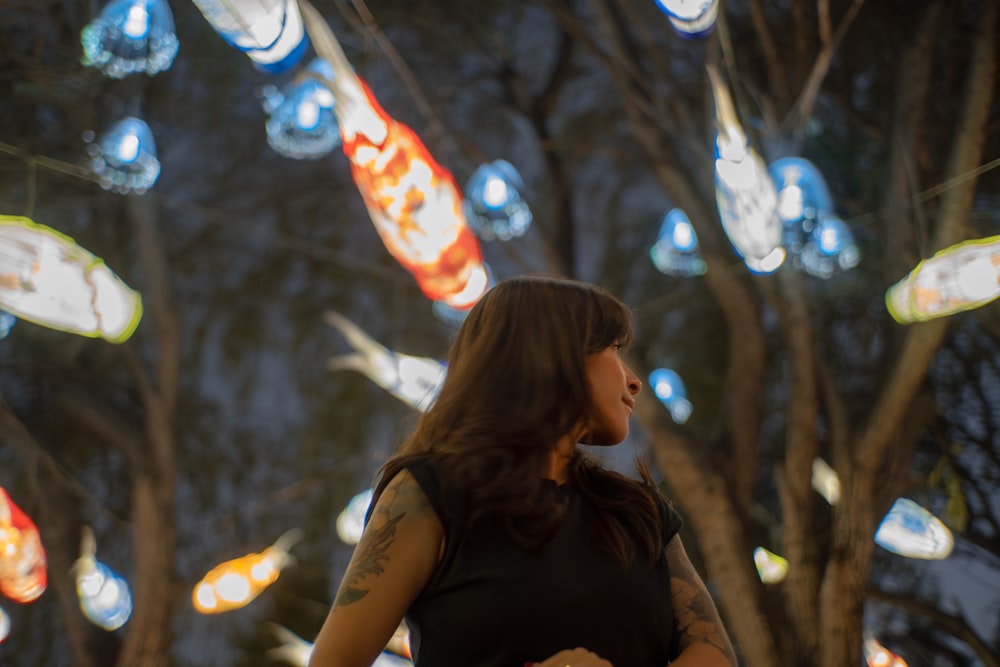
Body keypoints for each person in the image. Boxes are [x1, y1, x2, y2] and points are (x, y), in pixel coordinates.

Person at [308, 275, 737, 667]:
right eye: (613, 349)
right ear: (553, 354)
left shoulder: (641, 511)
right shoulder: (431, 494)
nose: (634, 381)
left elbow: (713, 652)